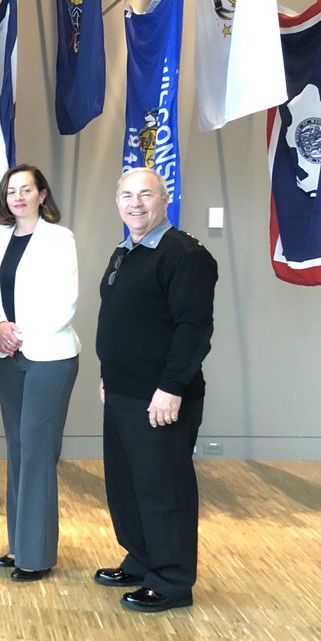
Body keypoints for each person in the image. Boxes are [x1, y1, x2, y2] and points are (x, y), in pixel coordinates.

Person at [95, 167, 217, 612]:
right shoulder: (125, 251)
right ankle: (142, 559)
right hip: (122, 392)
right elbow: (122, 322)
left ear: (166, 200)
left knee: (164, 490)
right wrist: (108, 375)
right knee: (128, 486)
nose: (135, 204)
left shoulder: (185, 255)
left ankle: (171, 580)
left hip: (160, 398)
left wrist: (171, 387)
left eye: (145, 195)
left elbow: (194, 328)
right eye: (126, 195)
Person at [0, 164, 80, 582]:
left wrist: (20, 336)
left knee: (37, 452)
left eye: (26, 189)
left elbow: (66, 301)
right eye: (11, 191)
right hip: (7, 357)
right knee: (18, 449)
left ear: (42, 194)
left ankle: (36, 557)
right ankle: (20, 543)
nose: (18, 197)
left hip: (50, 357)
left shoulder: (60, 239)